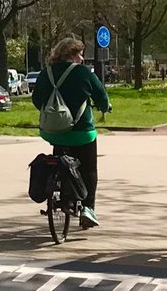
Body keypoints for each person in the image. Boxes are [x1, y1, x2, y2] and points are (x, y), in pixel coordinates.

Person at [31, 37, 112, 229]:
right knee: (89, 170)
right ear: (71, 55)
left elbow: (36, 100)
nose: (82, 58)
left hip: (53, 132)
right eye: (79, 54)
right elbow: (101, 97)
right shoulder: (83, 73)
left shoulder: (46, 73)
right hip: (81, 132)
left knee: (60, 159)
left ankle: (60, 190)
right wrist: (105, 107)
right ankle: (88, 209)